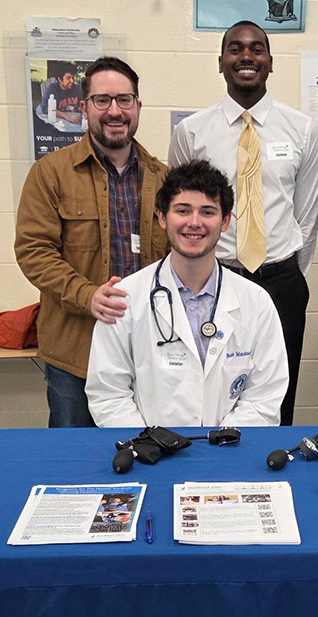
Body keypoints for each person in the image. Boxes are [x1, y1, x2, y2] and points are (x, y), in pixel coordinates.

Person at [168, 20, 318, 425]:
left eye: (257, 49)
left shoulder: (304, 130)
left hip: (282, 282)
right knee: (208, 384)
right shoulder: (192, 132)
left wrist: (283, 269)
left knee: (277, 390)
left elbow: (305, 215)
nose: (246, 57)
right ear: (221, 62)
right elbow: (183, 211)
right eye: (235, 49)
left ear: (271, 62)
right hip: (213, 281)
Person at [15, 55, 168, 427]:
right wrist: (88, 296)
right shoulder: (50, 173)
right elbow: (33, 251)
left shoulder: (163, 178)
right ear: (85, 107)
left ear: (138, 107)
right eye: (102, 100)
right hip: (76, 352)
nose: (114, 111)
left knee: (149, 454)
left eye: (124, 100)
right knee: (77, 463)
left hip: (148, 351)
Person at [86, 160, 288, 428]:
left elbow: (265, 397)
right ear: (161, 217)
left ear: (225, 221)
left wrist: (224, 444)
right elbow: (109, 394)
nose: (194, 222)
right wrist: (150, 443)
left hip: (230, 454)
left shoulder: (256, 302)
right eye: (183, 210)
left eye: (207, 212)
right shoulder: (125, 299)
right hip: (152, 457)